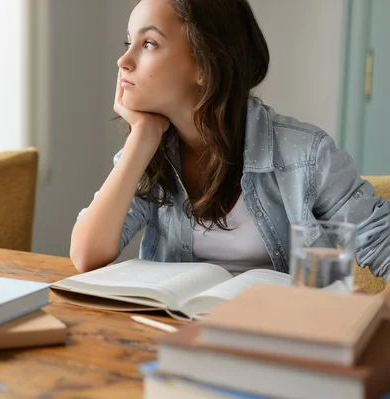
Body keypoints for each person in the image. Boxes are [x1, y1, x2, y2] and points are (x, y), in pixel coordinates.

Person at [69, 0, 390, 289]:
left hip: (281, 341)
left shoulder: (305, 155)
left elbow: (383, 244)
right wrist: (141, 138)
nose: (123, 60)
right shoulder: (150, 150)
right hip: (175, 338)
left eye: (148, 43)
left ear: (204, 64)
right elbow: (86, 256)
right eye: (129, 42)